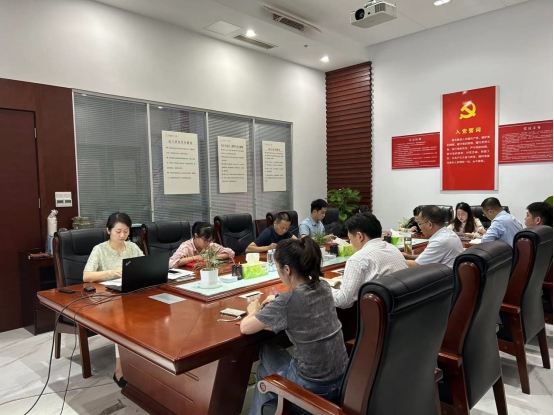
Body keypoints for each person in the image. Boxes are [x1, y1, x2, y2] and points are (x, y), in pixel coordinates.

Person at [240, 238, 348, 415]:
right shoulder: (323, 286)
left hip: (312, 387)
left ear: (287, 269)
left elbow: (245, 327)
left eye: (278, 269)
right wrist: (277, 300)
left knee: (266, 351)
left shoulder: (287, 301)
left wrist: (253, 310)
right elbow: (299, 301)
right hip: (342, 380)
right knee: (264, 372)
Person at [82, 212, 144, 388]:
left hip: (129, 294)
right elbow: (86, 276)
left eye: (126, 231)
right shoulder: (99, 249)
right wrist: (111, 272)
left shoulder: (132, 247)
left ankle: (145, 365)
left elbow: (144, 265)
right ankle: (120, 370)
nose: (122, 235)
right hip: (105, 299)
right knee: (122, 319)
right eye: (118, 231)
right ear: (108, 230)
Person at [332, 212, 407, 309]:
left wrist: (325, 289)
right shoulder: (393, 248)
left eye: (350, 239)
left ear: (359, 236)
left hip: (379, 312)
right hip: (401, 309)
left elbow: (343, 302)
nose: (351, 244)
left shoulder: (357, 259)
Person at [168, 222, 234, 268]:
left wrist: (211, 257)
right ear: (196, 236)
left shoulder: (210, 245)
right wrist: (195, 258)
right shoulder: (186, 247)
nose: (208, 243)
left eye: (210, 240)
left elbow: (231, 253)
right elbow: (171, 263)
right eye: (205, 240)